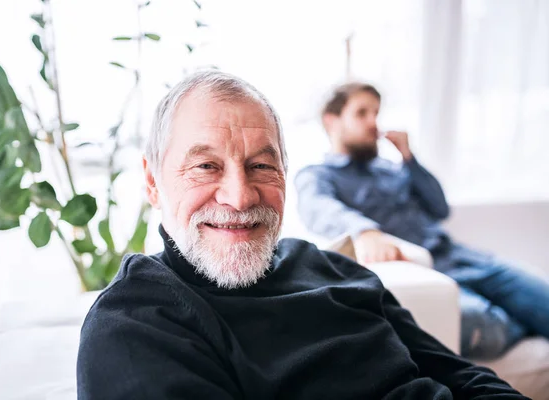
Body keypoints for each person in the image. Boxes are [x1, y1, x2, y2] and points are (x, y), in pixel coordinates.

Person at [77, 71, 526, 399]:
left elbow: (464, 377)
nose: (239, 195)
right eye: (206, 166)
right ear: (152, 182)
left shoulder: (331, 268)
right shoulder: (135, 322)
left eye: (261, 166)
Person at [295, 82, 549, 361]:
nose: (373, 123)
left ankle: (524, 315)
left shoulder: (391, 168)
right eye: (362, 113)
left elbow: (439, 208)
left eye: (376, 113)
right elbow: (316, 207)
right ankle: (523, 321)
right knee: (482, 325)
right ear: (332, 121)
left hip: (463, 257)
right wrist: (364, 230)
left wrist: (408, 157)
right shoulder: (318, 175)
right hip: (425, 271)